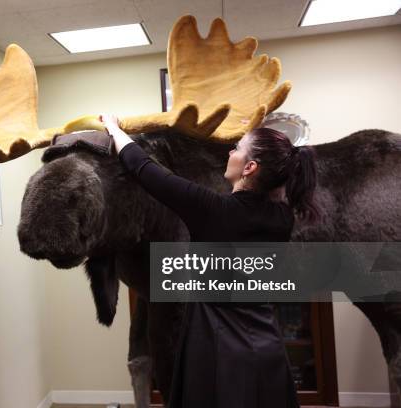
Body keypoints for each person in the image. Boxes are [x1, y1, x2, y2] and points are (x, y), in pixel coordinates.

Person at [100, 114, 319, 408]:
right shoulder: (283, 218)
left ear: (250, 167)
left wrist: (113, 129)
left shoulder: (213, 210)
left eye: (237, 148)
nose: (230, 153)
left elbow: (145, 170)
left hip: (217, 351)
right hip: (267, 346)